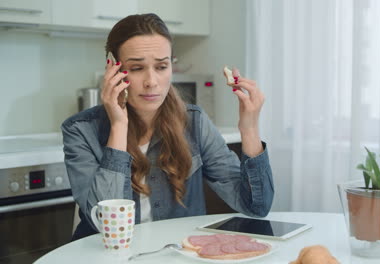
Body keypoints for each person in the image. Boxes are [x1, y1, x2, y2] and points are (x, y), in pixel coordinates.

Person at [62, 13, 274, 241]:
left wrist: (249, 128)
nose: (152, 81)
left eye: (161, 66)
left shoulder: (194, 122)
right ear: (113, 69)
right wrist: (119, 126)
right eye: (136, 68)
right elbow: (106, 226)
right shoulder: (80, 130)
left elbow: (255, 206)